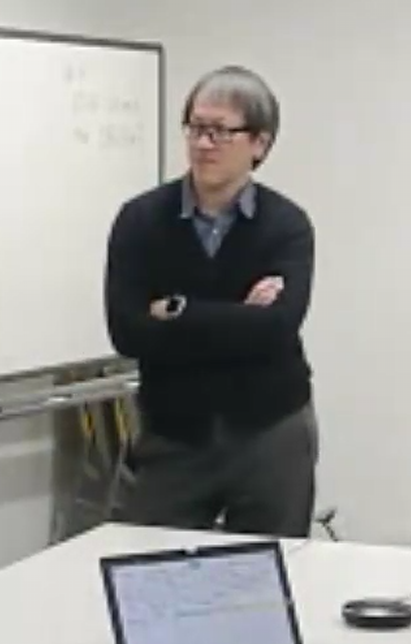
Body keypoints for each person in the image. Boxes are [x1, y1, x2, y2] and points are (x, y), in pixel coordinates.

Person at [101, 65, 317, 537]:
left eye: (220, 131)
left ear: (259, 143)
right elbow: (128, 331)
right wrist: (241, 315)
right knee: (146, 560)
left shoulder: (286, 225)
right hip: (174, 431)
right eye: (196, 128)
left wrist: (177, 311)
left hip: (270, 427)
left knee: (269, 566)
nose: (203, 144)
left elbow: (278, 327)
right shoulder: (141, 220)